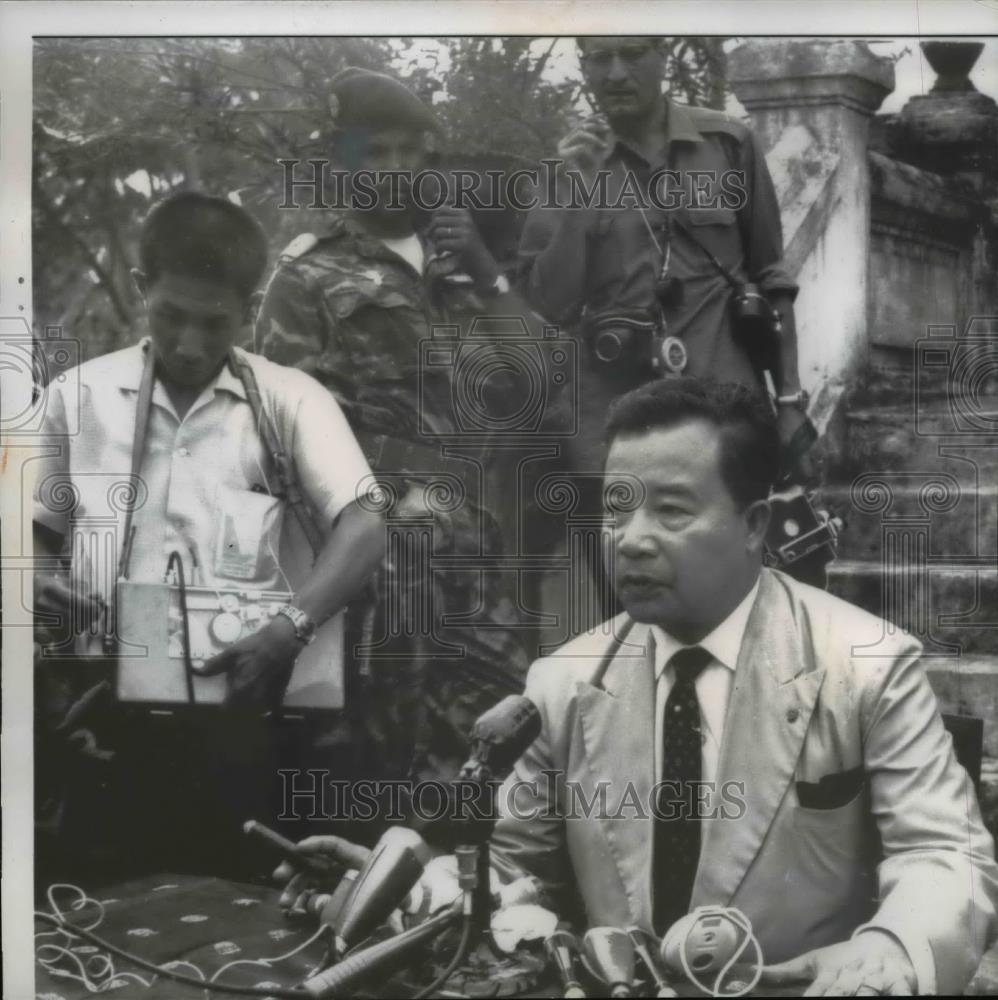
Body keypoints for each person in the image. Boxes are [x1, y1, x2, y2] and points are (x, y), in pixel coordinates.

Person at [277, 378, 998, 997]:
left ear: (754, 526)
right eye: (616, 510)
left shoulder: (867, 663)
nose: (630, 539)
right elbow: (518, 876)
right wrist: (410, 886)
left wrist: (893, 952)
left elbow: (947, 856)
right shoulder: (562, 682)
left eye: (672, 512)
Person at [33, 192, 385, 874]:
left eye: (214, 322)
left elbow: (367, 524)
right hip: (105, 725)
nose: (190, 344)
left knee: (250, 929)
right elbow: (25, 537)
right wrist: (47, 585)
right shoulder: (77, 397)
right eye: (170, 316)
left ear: (250, 311)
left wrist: (291, 627)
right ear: (141, 289)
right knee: (100, 925)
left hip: (253, 728)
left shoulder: (290, 400)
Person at [255, 67, 536, 790]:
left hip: (472, 540)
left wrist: (483, 266)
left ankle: (469, 890)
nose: (391, 168)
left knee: (501, 732)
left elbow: (540, 377)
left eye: (406, 150)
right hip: (379, 551)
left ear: (428, 156)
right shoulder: (308, 276)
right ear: (340, 163)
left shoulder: (462, 268)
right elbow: (278, 432)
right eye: (371, 152)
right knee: (382, 750)